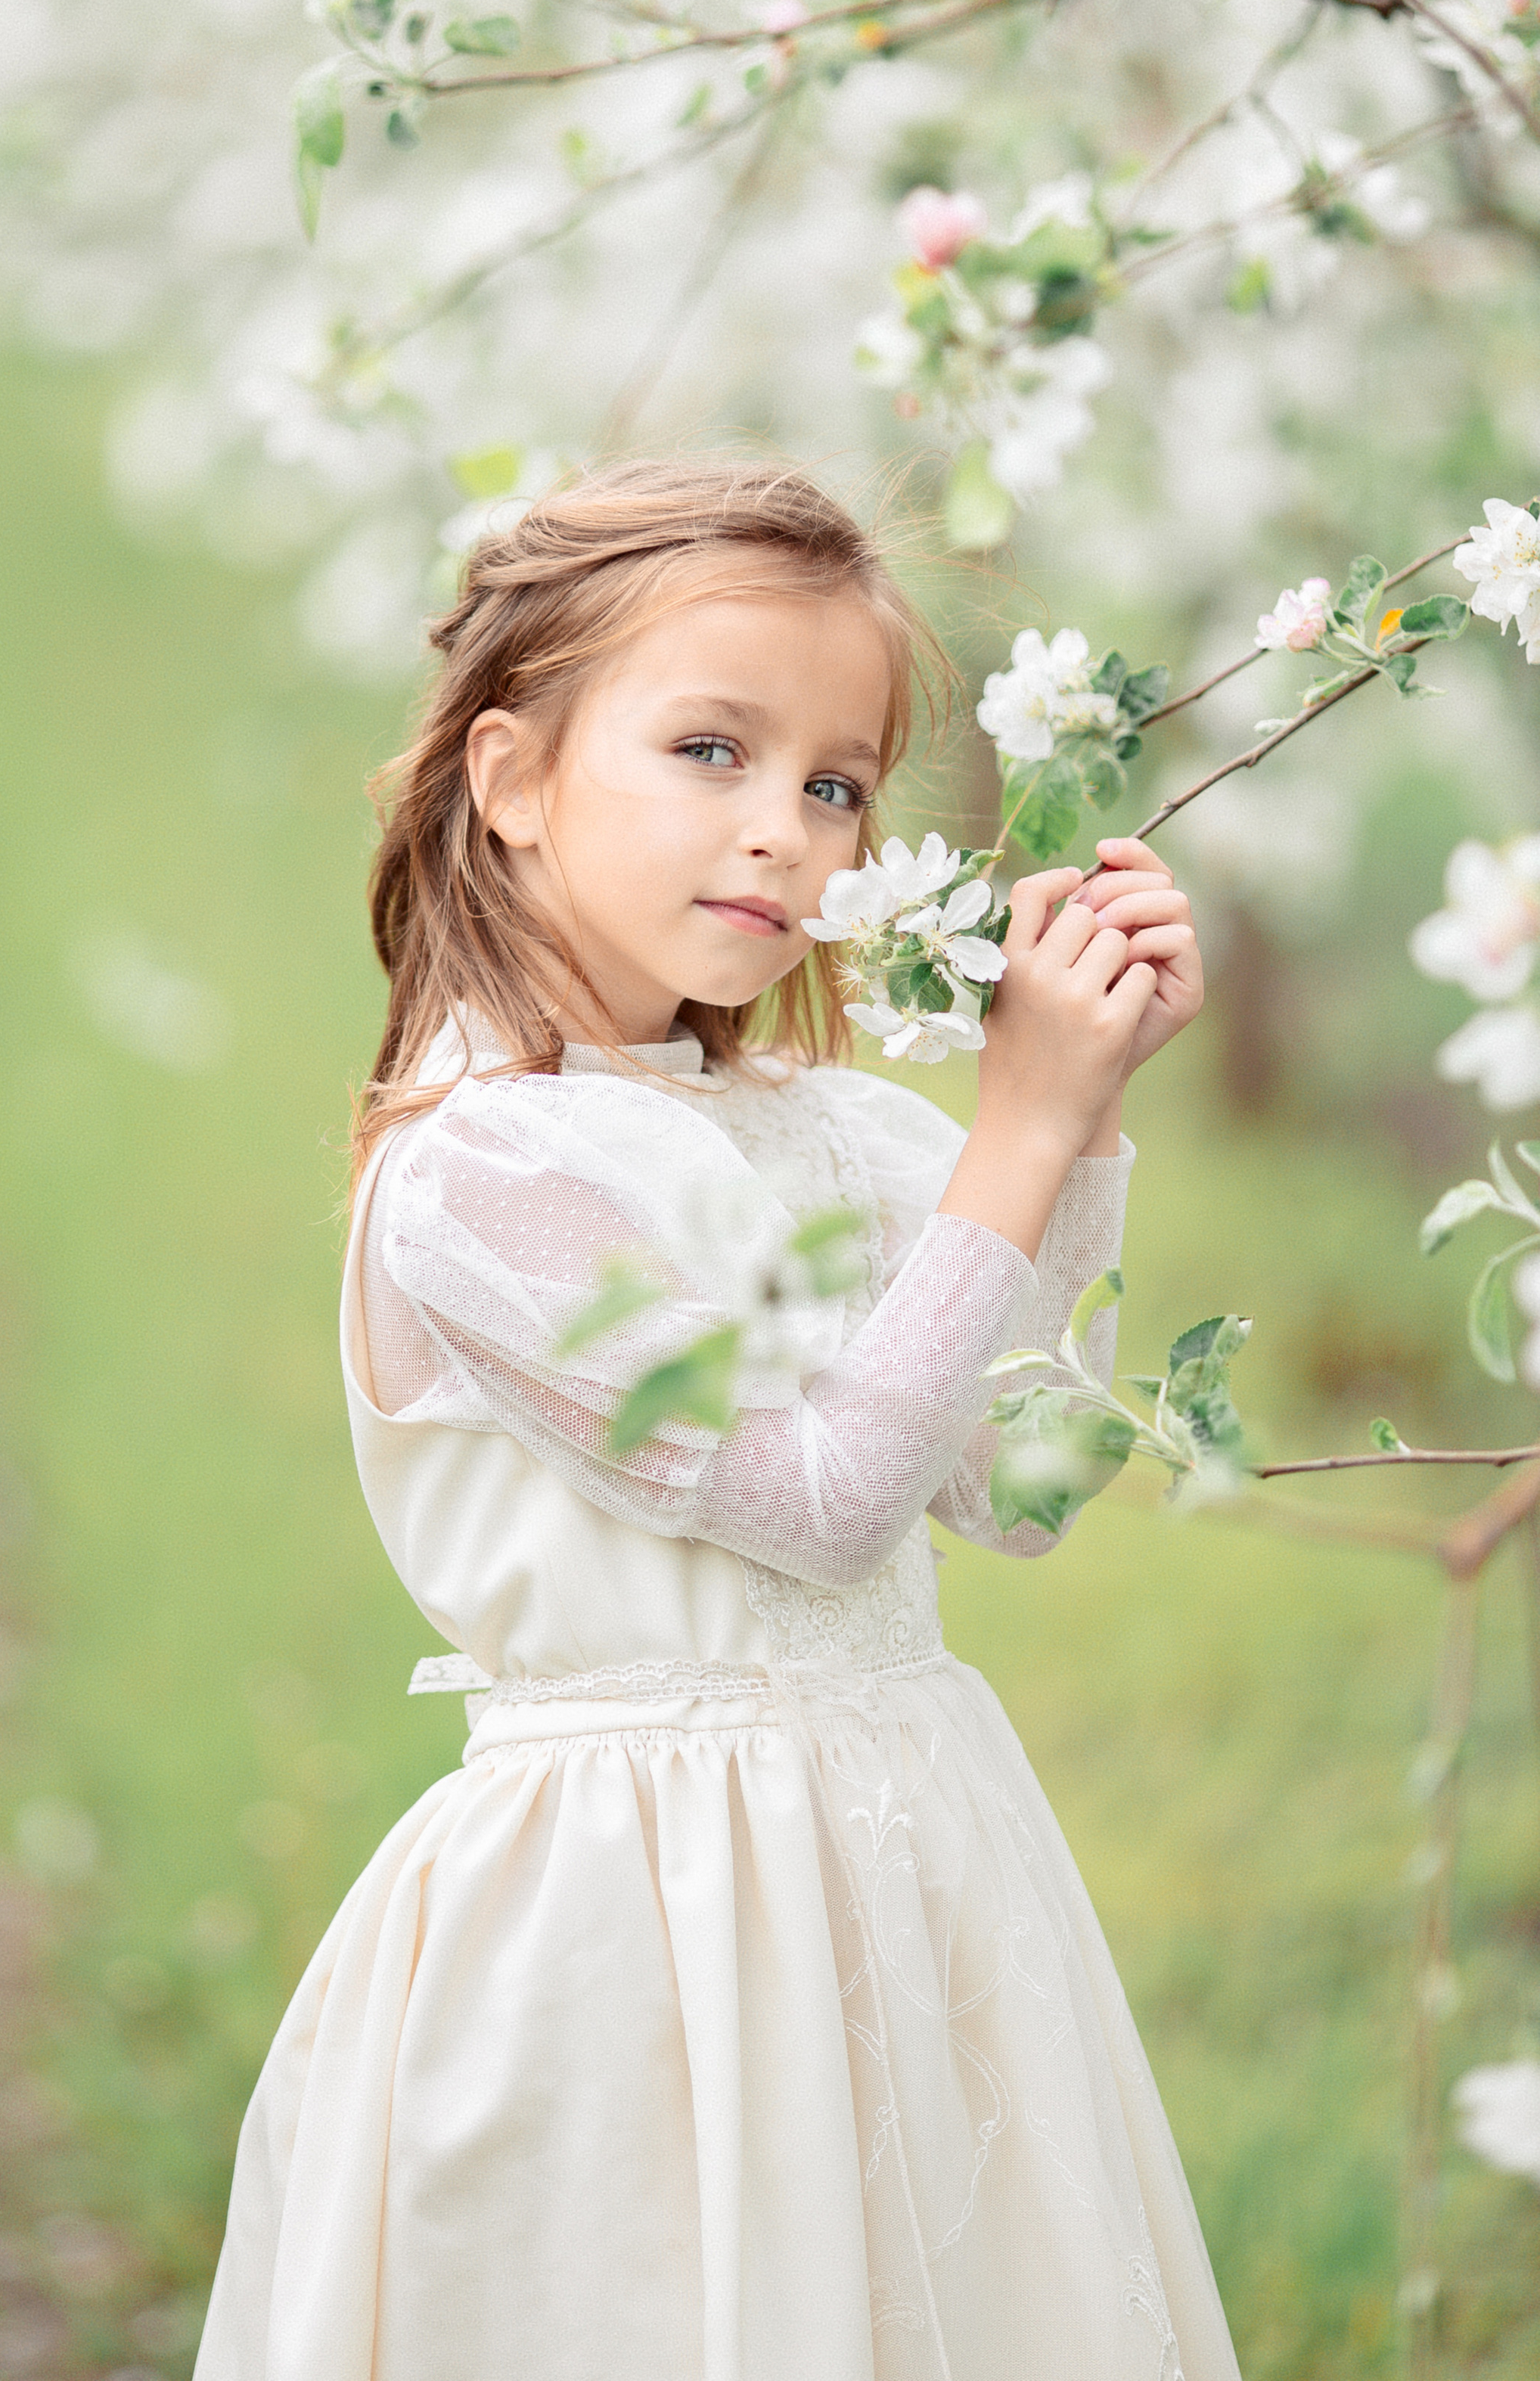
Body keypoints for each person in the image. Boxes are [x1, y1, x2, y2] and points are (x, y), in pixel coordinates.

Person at [194, 457, 1239, 2381]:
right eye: (708, 750)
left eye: (834, 784)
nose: (786, 834)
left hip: (898, 1864)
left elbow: (1017, 1482)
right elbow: (827, 1500)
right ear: (509, 783)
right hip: (639, 1923)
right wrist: (1009, 1129)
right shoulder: (485, 1174)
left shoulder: (827, 1131)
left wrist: (1077, 1124)